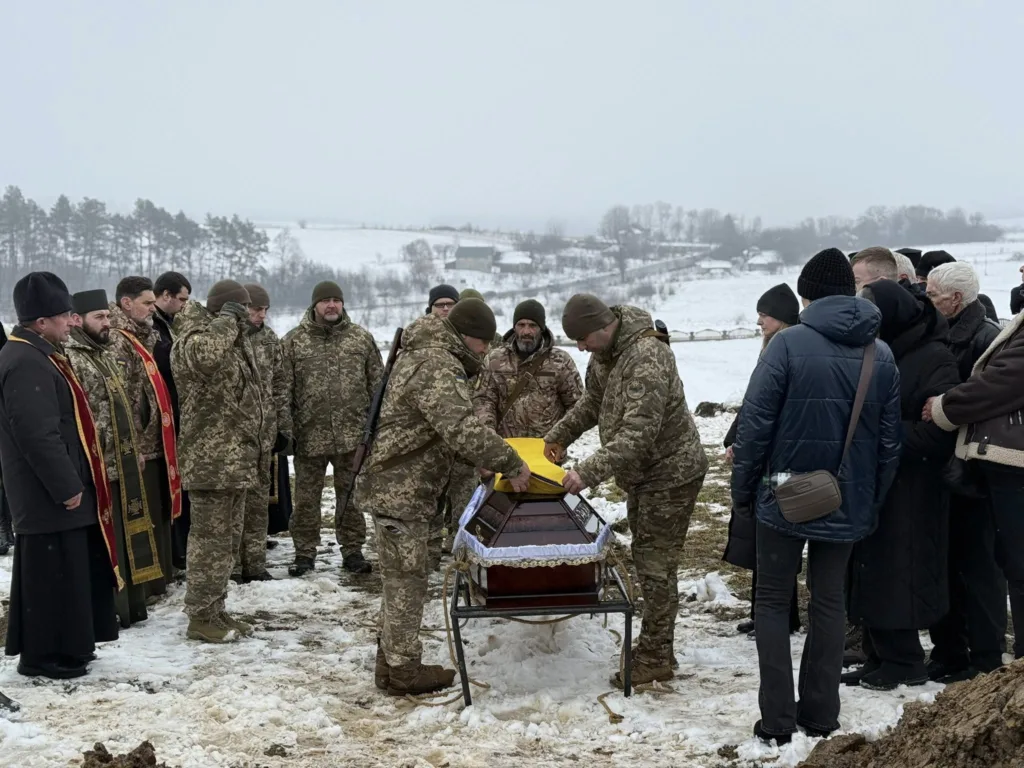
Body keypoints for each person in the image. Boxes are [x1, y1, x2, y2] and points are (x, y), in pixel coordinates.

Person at [730, 248, 901, 743]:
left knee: (771, 602)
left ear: (805, 296)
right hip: (849, 500)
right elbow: (891, 443)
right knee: (830, 603)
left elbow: (755, 430)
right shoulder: (880, 353)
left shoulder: (785, 346)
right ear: (850, 292)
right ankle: (822, 713)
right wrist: (871, 501)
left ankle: (778, 721)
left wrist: (744, 494)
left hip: (781, 495)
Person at [354, 298, 530, 696]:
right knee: (406, 579)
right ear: (467, 337)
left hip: (401, 487)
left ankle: (391, 661)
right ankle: (403, 671)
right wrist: (510, 463)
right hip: (401, 489)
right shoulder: (436, 363)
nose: (485, 352)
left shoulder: (424, 353)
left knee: (401, 577)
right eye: (483, 344)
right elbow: (462, 427)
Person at [544, 294, 708, 688]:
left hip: (670, 472)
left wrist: (588, 472)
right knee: (648, 556)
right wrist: (557, 435)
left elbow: (638, 434)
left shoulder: (647, 357)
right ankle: (658, 646)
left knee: (655, 564)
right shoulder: (607, 354)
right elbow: (592, 403)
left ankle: (655, 657)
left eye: (583, 339)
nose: (581, 348)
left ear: (603, 326)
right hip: (644, 475)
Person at [1, 272, 119, 679]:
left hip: (58, 488)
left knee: (67, 570)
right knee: (49, 576)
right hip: (46, 493)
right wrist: (67, 486)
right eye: (65, 316)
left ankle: (70, 646)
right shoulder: (24, 361)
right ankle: (43, 656)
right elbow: (36, 435)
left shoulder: (39, 353)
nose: (73, 322)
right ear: (41, 322)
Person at [845, 280, 960, 689]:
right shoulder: (876, 351)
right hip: (875, 481)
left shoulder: (934, 357)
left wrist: (879, 434)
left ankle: (906, 660)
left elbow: (939, 434)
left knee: (901, 570)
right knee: (871, 568)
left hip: (914, 485)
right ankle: (879, 654)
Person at [925, 306, 1024, 663]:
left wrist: (945, 408)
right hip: (1006, 461)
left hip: (1015, 463)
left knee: (1016, 564)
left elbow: (1004, 381)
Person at [171, 280, 263, 643]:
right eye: (241, 310)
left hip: (235, 460)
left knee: (227, 542)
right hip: (211, 462)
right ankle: (200, 617)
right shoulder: (192, 336)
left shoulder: (231, 340)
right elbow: (207, 358)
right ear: (227, 309)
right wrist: (227, 321)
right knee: (209, 542)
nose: (246, 317)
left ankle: (216, 609)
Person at [66, 290, 163, 628]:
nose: (107, 323)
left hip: (122, 462)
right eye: (99, 318)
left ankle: (130, 605)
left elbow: (128, 407)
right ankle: (110, 607)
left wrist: (134, 448)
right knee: (107, 544)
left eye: (108, 317)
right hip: (97, 466)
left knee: (126, 538)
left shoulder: (104, 353)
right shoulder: (72, 358)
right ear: (77, 320)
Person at [282, 281, 382, 576]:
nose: (331, 306)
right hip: (308, 437)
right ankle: (304, 553)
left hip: (353, 437)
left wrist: (374, 430)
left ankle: (352, 551)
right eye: (325, 300)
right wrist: (287, 432)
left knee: (350, 497)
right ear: (314, 305)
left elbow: (378, 387)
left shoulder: (361, 340)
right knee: (306, 500)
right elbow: (282, 391)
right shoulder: (293, 342)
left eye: (336, 300)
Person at [722, 283, 801, 639]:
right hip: (763, 458)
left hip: (778, 461)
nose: (758, 322)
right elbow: (753, 406)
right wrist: (732, 439)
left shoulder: (790, 350)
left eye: (764, 316)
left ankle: (783, 616)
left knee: (777, 539)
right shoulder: (770, 350)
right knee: (761, 538)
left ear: (781, 319)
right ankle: (764, 611)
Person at [110, 276, 181, 600]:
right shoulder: (116, 339)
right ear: (127, 304)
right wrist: (134, 444)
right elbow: (124, 398)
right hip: (138, 445)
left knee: (159, 513)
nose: (153, 309)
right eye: (147, 303)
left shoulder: (146, 334)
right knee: (144, 516)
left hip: (157, 442)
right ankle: (144, 586)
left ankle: (159, 580)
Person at [231, 283, 292, 584]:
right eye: (256, 309)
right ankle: (231, 566)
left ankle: (255, 563)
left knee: (258, 502)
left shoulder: (269, 339)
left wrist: (283, 426)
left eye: (265, 310)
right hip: (233, 438)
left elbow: (280, 385)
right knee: (233, 505)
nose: (261, 315)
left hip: (263, 435)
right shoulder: (229, 338)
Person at [153, 271, 192, 570]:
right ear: (164, 295)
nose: (183, 305)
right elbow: (166, 361)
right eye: (181, 299)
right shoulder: (154, 327)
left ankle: (180, 548)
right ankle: (174, 551)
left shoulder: (170, 323)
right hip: (163, 416)